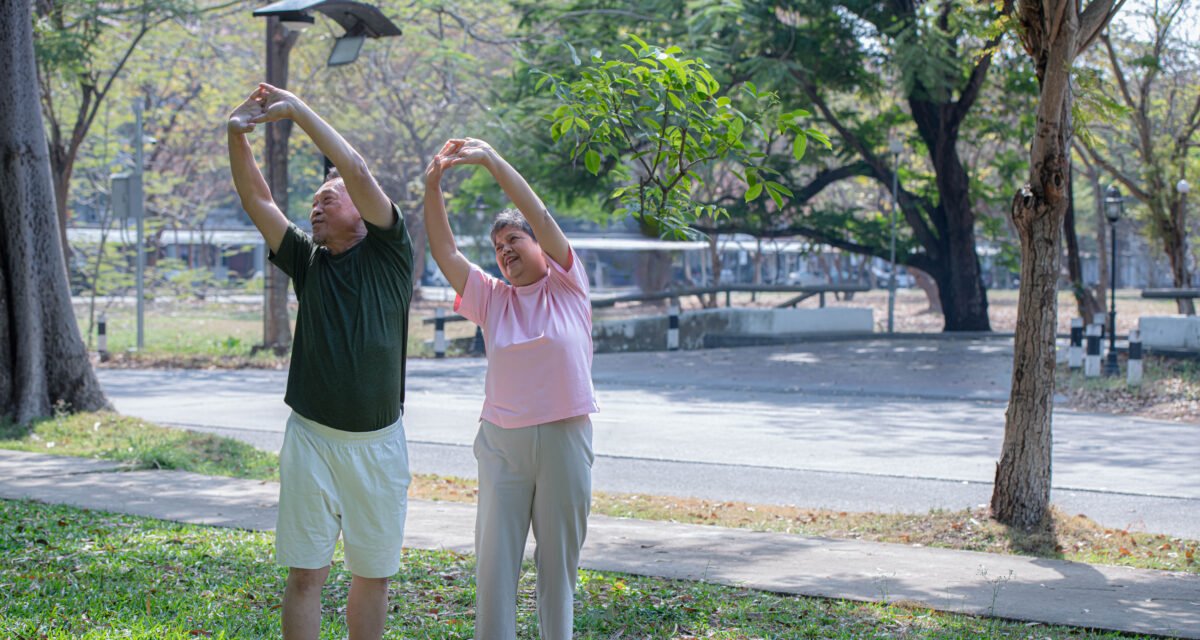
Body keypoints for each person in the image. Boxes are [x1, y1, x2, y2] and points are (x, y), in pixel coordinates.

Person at [226, 83, 414, 640]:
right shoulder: (310, 262)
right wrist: (236, 134)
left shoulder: (390, 255)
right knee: (306, 571)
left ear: (363, 209)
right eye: (313, 202)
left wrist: (298, 110)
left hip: (377, 447)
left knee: (371, 574)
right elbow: (259, 201)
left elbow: (353, 166)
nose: (315, 207)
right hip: (310, 438)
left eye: (327, 199)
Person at [424, 138, 598, 640]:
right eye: (498, 249)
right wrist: (433, 186)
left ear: (539, 245)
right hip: (503, 444)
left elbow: (536, 212)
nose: (504, 253)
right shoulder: (491, 299)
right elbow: (445, 250)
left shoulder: (568, 284)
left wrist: (491, 160)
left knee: (557, 570)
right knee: (495, 568)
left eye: (513, 242)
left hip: (566, 439)